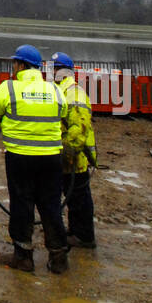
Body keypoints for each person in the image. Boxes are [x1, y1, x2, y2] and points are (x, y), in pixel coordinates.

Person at [0, 45, 69, 273]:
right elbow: (63, 112)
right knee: (51, 205)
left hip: (20, 158)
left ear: (21, 65)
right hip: (51, 158)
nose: (13, 67)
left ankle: (23, 256)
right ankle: (59, 256)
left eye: (15, 63)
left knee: (22, 204)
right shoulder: (54, 90)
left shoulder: (9, 88)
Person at [51, 51, 97, 249]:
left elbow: (79, 130)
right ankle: (75, 230)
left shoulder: (74, 93)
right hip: (67, 156)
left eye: (55, 69)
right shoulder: (62, 91)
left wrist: (67, 154)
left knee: (79, 197)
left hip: (75, 158)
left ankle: (85, 236)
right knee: (73, 197)